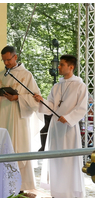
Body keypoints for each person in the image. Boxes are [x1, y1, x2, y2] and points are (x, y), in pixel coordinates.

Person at [33, 55, 87, 198]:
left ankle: (69, 192)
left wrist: (68, 118)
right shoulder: (57, 86)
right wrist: (41, 100)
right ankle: (57, 192)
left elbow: (82, 108)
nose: (59, 67)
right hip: (55, 127)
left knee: (68, 159)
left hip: (69, 129)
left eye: (62, 64)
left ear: (71, 67)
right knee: (55, 159)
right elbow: (51, 105)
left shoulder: (80, 86)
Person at [0, 45, 41, 191]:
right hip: (1, 117)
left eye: (8, 60)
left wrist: (17, 97)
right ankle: (1, 185)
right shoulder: (0, 76)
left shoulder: (27, 75)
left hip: (18, 118)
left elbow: (35, 99)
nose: (6, 63)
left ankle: (20, 187)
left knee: (18, 149)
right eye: (3, 61)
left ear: (15, 57)